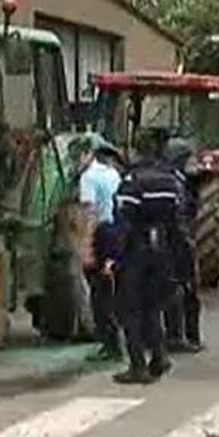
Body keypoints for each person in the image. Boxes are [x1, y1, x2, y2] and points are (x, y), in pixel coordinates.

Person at [110, 130, 182, 384]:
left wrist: (114, 256)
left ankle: (137, 365)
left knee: (131, 309)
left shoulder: (133, 181)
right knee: (153, 307)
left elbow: (124, 222)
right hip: (162, 249)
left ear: (136, 151)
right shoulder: (169, 180)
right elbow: (178, 219)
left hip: (136, 251)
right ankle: (160, 356)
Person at [77, 134, 123, 361]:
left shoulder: (88, 178)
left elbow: (89, 213)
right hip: (117, 233)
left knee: (99, 294)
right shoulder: (112, 173)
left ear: (88, 155)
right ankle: (119, 339)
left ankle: (109, 345)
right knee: (113, 289)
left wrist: (86, 247)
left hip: (101, 235)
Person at [162, 137, 204, 353]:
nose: (194, 163)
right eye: (189, 158)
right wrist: (187, 242)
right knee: (182, 289)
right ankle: (179, 336)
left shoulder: (181, 181)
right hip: (178, 243)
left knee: (182, 290)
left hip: (175, 241)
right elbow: (180, 217)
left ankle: (187, 335)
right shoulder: (176, 183)